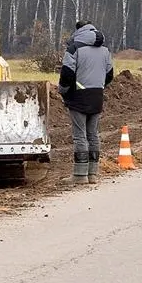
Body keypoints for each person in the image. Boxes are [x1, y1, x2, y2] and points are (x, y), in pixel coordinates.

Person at [57, 20, 114, 184]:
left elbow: (67, 73)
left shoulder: (74, 48)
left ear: (78, 31)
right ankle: (93, 174)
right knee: (93, 135)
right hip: (97, 96)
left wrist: (63, 90)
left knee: (80, 136)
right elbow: (109, 74)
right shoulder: (104, 50)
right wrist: (99, 86)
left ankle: (80, 175)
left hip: (78, 97)